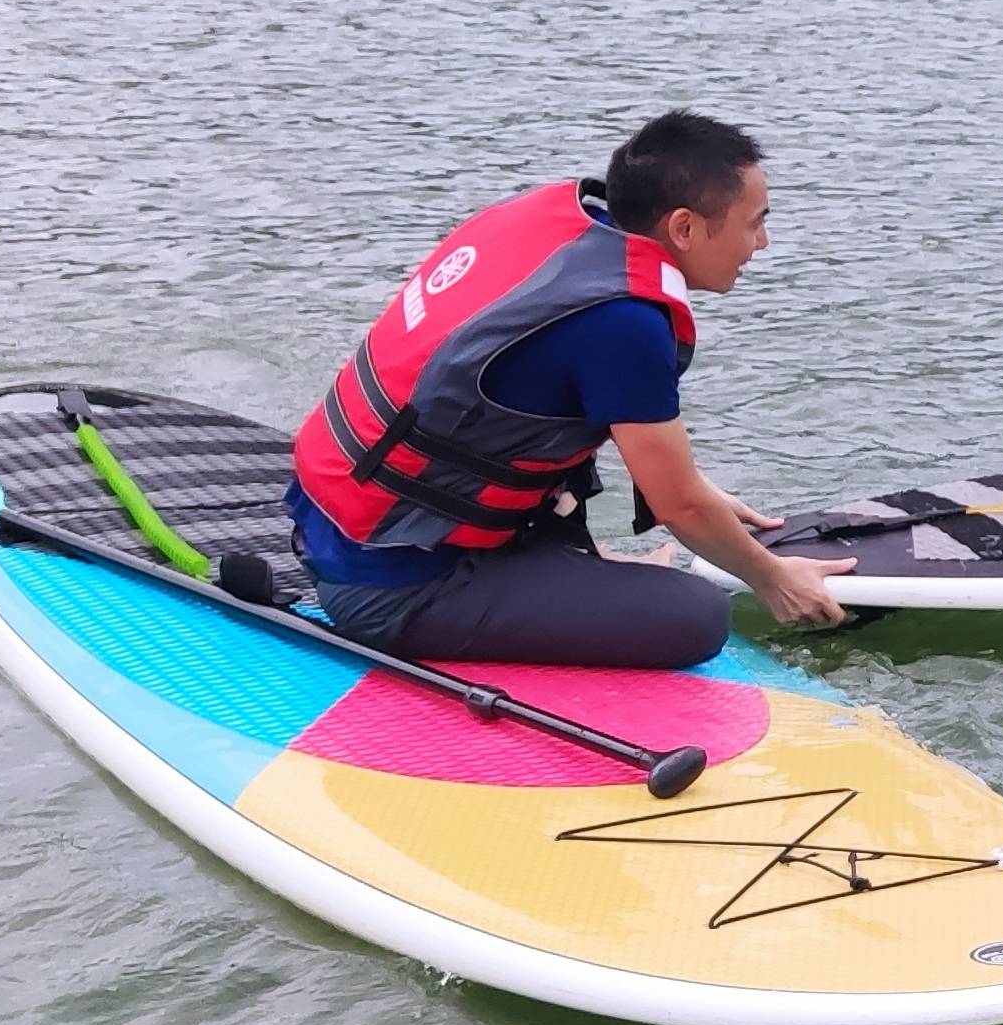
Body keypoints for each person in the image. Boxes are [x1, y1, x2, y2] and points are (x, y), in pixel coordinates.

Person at [287, 111, 853, 666]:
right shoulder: (625, 320)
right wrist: (774, 579)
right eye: (753, 222)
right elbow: (677, 505)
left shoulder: (555, 231)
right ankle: (567, 579)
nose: (762, 242)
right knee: (699, 616)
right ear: (684, 227)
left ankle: (572, 573)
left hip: (333, 526)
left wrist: (695, 492)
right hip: (391, 587)